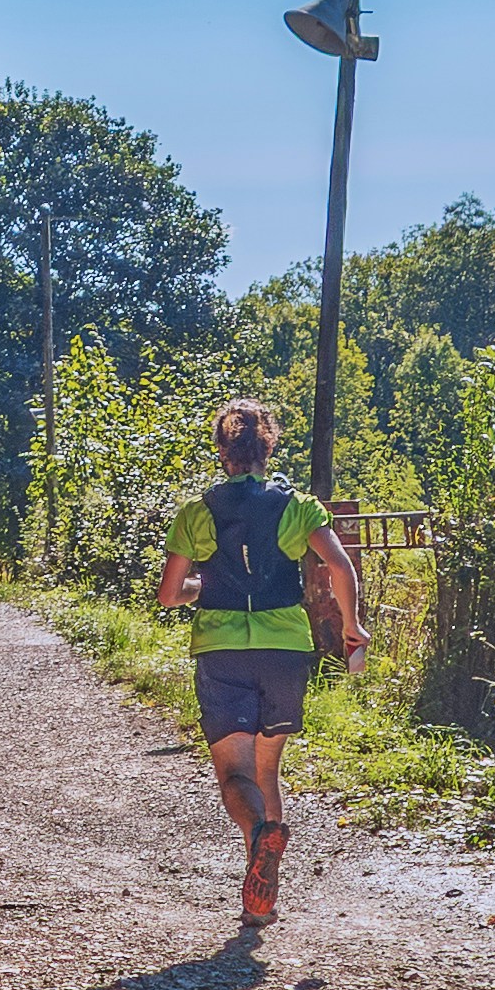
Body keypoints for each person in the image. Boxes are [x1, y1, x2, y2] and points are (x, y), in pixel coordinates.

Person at [149, 396, 368, 925]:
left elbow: (169, 594)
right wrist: (351, 625)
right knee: (267, 769)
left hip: (222, 652)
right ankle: (262, 900)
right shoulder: (297, 508)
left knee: (234, 775)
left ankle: (259, 839)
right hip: (286, 651)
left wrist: (206, 587)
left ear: (223, 454)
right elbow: (339, 567)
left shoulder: (198, 513)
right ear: (268, 451)